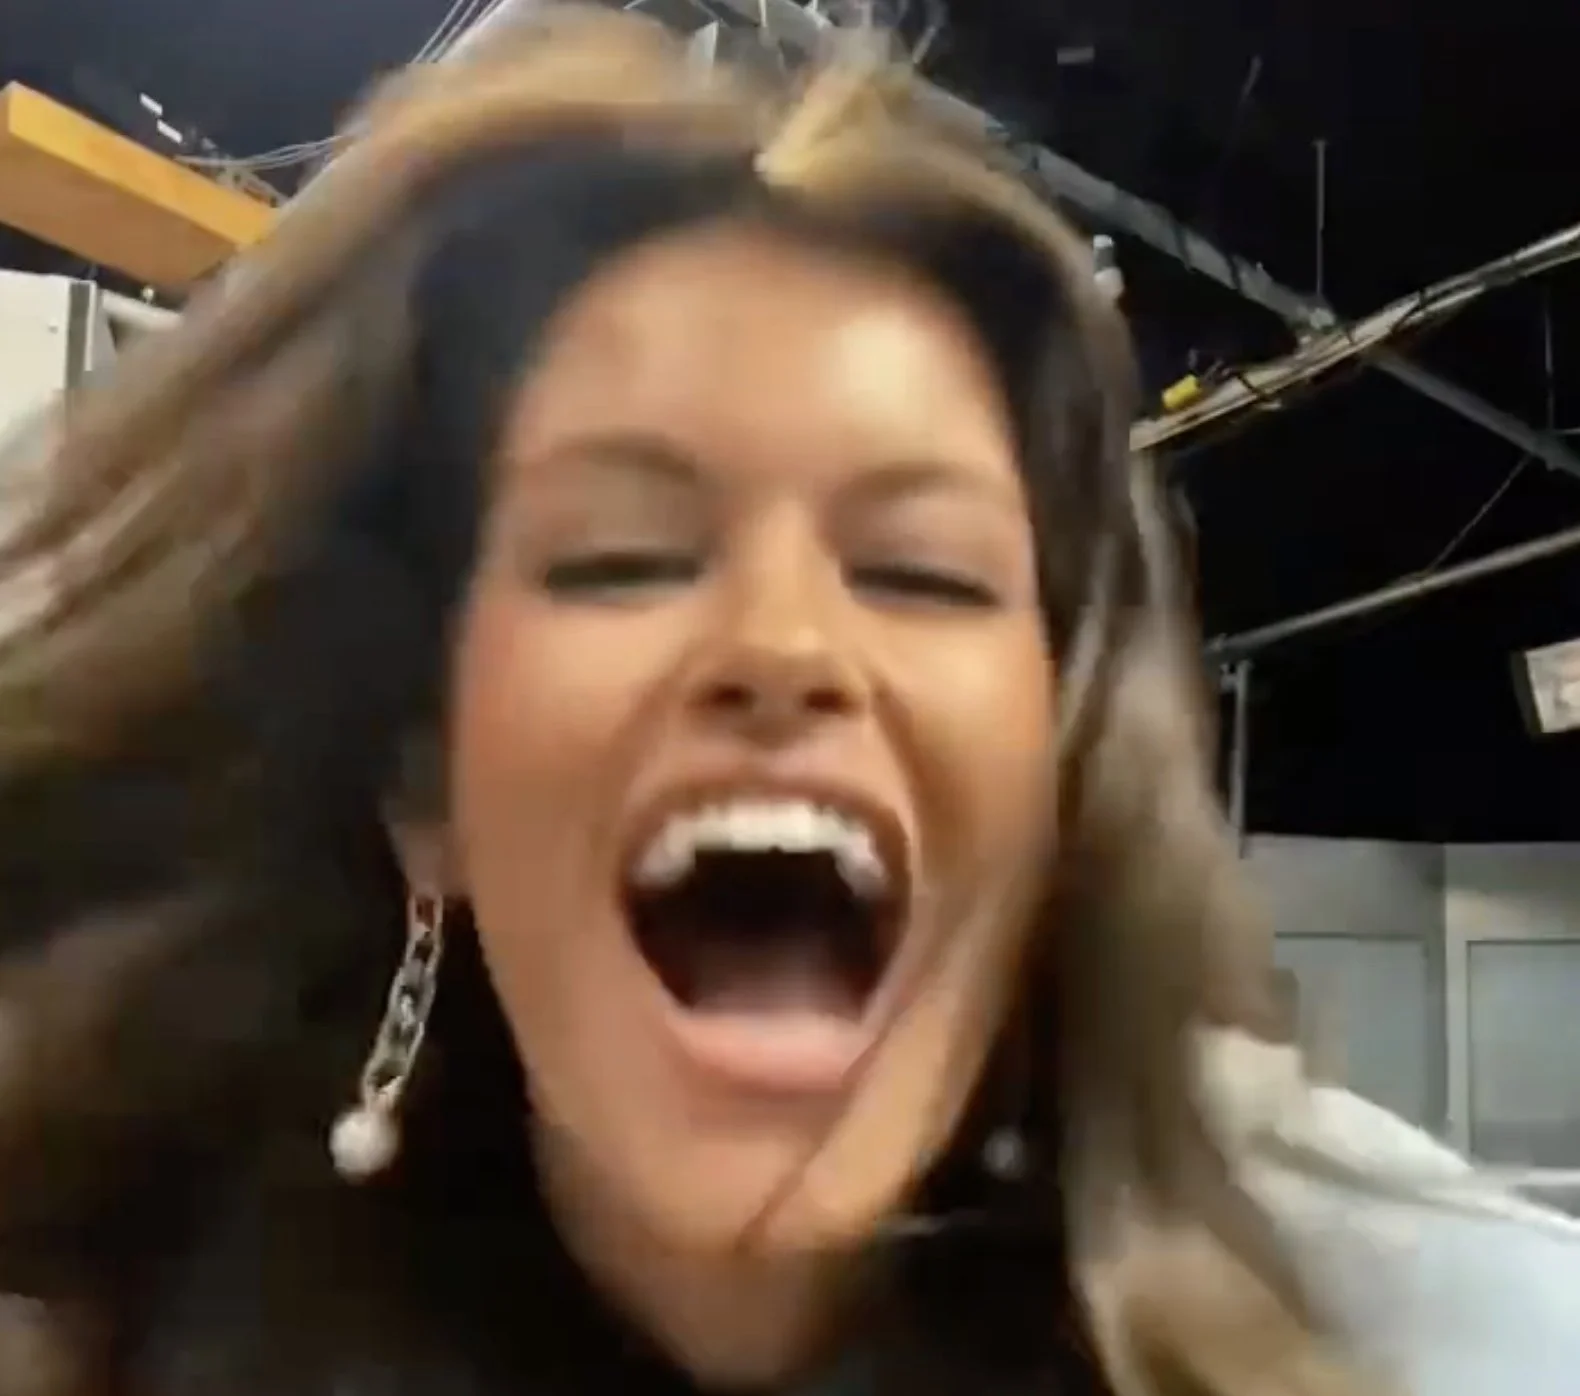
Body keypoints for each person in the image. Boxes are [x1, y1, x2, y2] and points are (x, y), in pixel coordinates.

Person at [0, 10, 1576, 1396]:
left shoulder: (1426, 1340)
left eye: (922, 572)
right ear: (427, 785)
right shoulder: (141, 1335)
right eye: (622, 558)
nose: (785, 644)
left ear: (1051, 769)